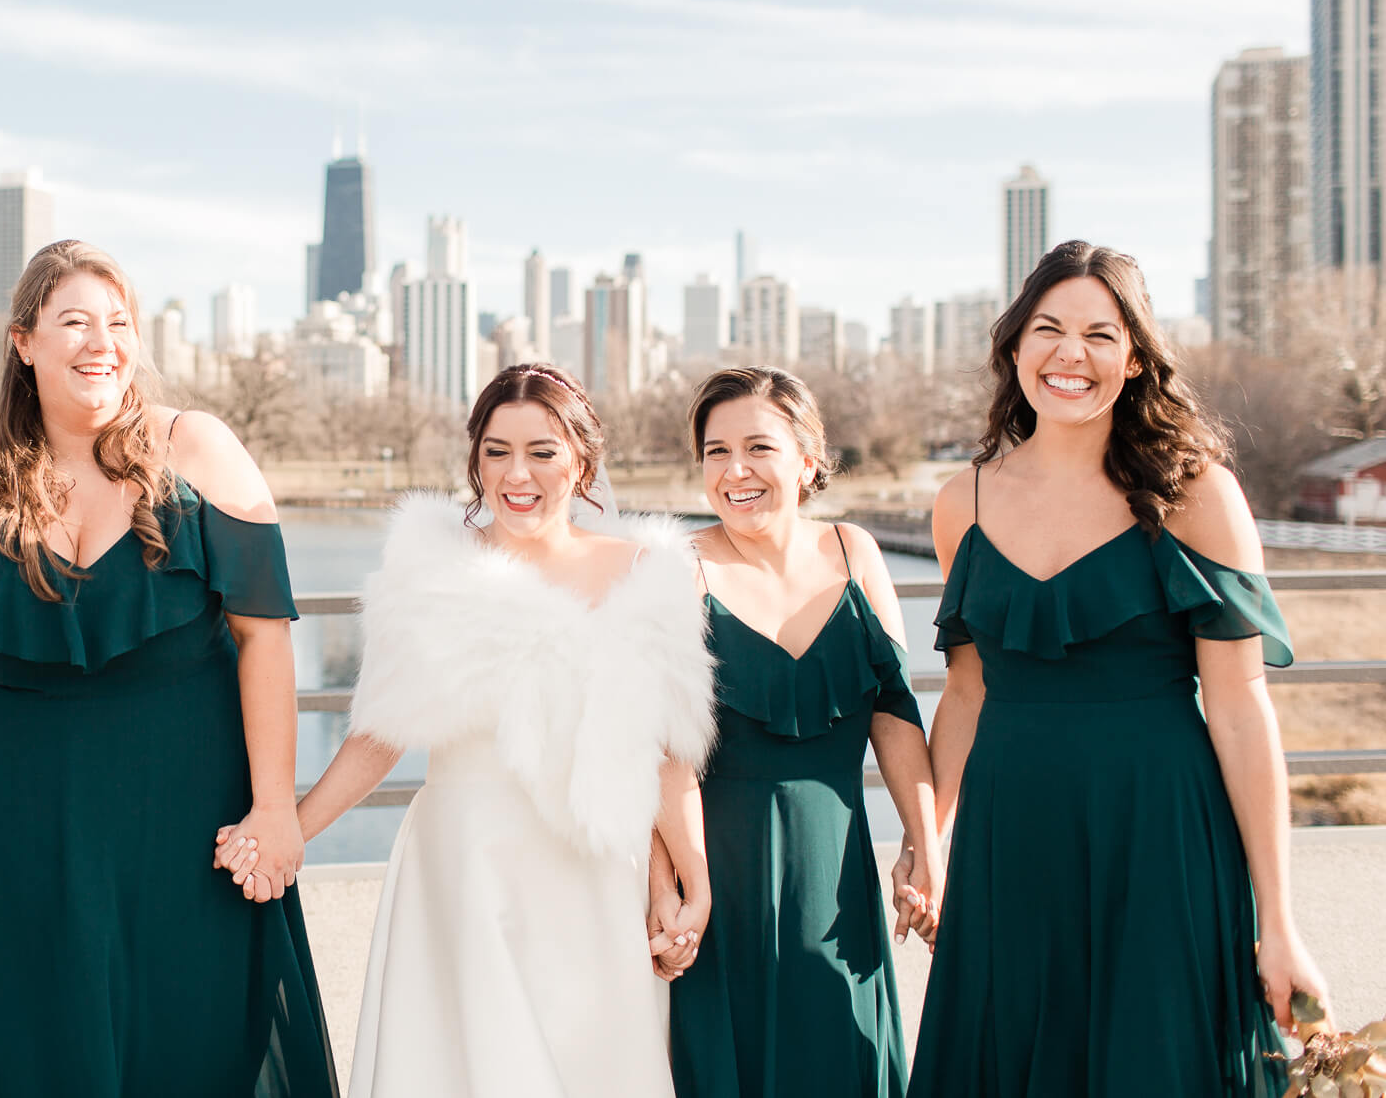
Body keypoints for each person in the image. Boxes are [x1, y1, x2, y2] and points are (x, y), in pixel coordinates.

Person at [0, 239, 338, 1097]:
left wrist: (276, 809)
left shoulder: (197, 447)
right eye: (74, 321)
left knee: (190, 1033)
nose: (102, 342)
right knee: (30, 1035)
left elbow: (265, 636)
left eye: (119, 322)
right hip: (19, 816)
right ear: (23, 341)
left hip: (186, 807)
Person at [908, 240, 1328, 1097]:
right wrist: (929, 841)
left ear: (1134, 357)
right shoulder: (963, 503)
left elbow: (1242, 707)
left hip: (1160, 833)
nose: (1072, 354)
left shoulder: (1195, 493)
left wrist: (1277, 920)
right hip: (1009, 837)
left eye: (1100, 334)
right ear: (1014, 346)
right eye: (1048, 329)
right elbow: (965, 691)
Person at [268, 362, 715, 1097]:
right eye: (496, 450)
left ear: (581, 457)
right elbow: (378, 734)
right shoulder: (429, 567)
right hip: (465, 861)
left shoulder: (649, 572)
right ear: (474, 458)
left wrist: (687, 882)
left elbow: (665, 755)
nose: (518, 473)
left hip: (596, 874)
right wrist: (289, 831)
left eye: (542, 450)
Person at [655, 366, 940, 1098]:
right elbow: (665, 752)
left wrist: (924, 847)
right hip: (721, 879)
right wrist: (688, 884)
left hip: (836, 874)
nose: (734, 470)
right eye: (715, 452)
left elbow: (896, 714)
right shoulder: (675, 569)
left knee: (845, 1053)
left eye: (757, 446)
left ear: (807, 457)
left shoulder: (854, 552)